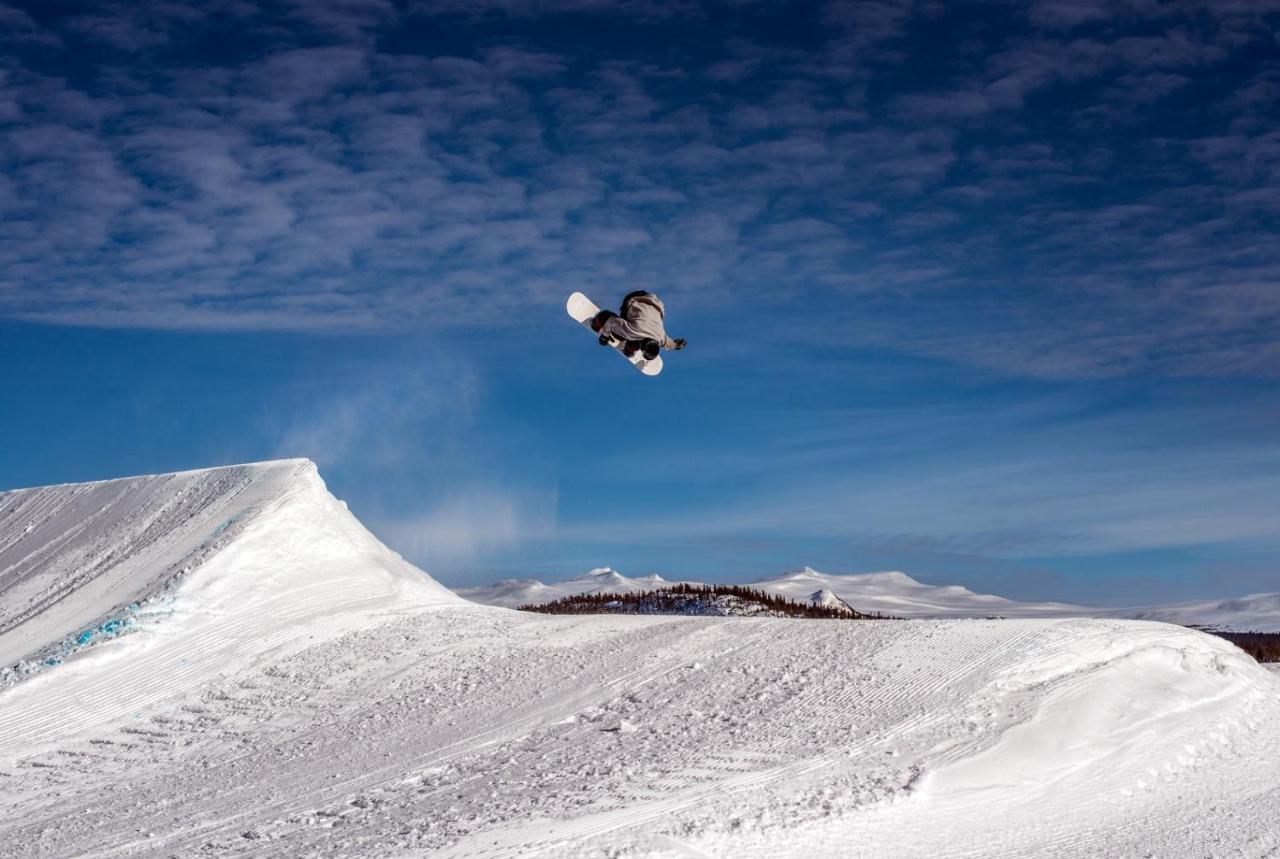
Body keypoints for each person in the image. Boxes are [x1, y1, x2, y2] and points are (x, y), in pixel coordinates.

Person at [589, 290, 687, 360]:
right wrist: (604, 336)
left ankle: (630, 346)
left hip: (650, 301)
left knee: (633, 338)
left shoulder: (660, 337)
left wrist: (676, 345)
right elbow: (611, 321)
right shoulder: (633, 331)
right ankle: (599, 320)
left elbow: (667, 342)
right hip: (633, 299)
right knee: (621, 334)